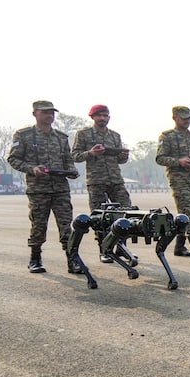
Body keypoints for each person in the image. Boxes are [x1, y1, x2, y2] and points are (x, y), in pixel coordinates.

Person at [8, 100, 83, 274]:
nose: (49, 115)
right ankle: (35, 258)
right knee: (39, 225)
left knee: (66, 226)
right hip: (38, 189)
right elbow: (13, 159)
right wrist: (31, 169)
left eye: (51, 112)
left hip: (60, 189)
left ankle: (72, 260)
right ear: (35, 114)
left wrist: (71, 171)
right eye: (45, 112)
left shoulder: (61, 137)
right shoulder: (24, 135)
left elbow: (68, 160)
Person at [72, 104, 132, 263]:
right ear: (92, 117)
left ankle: (121, 248)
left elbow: (119, 160)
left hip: (115, 180)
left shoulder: (115, 135)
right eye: (99, 115)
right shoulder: (83, 134)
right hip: (96, 180)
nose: (103, 118)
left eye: (105, 115)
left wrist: (124, 156)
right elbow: (75, 155)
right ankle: (104, 250)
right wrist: (90, 153)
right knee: (100, 217)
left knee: (126, 212)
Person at [155, 106, 190, 259]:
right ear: (174, 118)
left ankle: (179, 246)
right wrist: (179, 162)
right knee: (186, 210)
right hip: (179, 179)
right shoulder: (167, 136)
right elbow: (160, 158)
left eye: (188, 118)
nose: (186, 121)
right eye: (183, 118)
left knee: (188, 214)